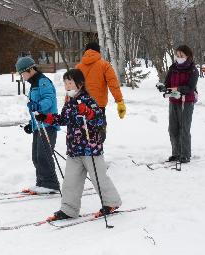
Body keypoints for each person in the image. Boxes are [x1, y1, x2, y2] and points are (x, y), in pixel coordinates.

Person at [35, 69, 122, 220]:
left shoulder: (88, 100)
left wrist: (88, 112)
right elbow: (63, 119)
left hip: (90, 148)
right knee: (70, 180)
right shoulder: (69, 102)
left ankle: (111, 202)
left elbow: (100, 121)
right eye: (65, 83)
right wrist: (46, 117)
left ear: (80, 84)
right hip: (74, 149)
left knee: (99, 177)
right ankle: (69, 209)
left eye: (70, 82)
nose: (67, 86)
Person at [15, 56, 60, 194]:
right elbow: (35, 109)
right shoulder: (35, 83)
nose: (22, 77)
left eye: (23, 73)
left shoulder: (43, 81)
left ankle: (51, 184)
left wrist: (38, 105)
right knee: (36, 155)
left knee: (44, 155)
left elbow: (49, 100)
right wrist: (31, 123)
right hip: (39, 125)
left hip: (48, 125)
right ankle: (41, 183)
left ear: (30, 69)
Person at [76, 42, 126, 141]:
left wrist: (67, 104)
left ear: (85, 51)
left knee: (82, 134)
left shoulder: (78, 67)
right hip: (98, 106)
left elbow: (71, 88)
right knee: (98, 134)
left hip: (80, 105)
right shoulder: (104, 65)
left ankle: (84, 154)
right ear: (98, 51)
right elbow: (113, 84)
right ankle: (97, 152)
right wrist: (119, 101)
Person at [164, 45, 199, 163]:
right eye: (177, 55)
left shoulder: (193, 70)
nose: (179, 58)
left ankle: (185, 154)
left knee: (184, 128)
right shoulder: (173, 68)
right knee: (173, 128)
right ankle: (176, 153)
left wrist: (178, 89)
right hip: (173, 100)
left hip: (186, 101)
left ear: (187, 56)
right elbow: (167, 83)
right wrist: (164, 88)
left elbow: (190, 87)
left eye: (181, 56)